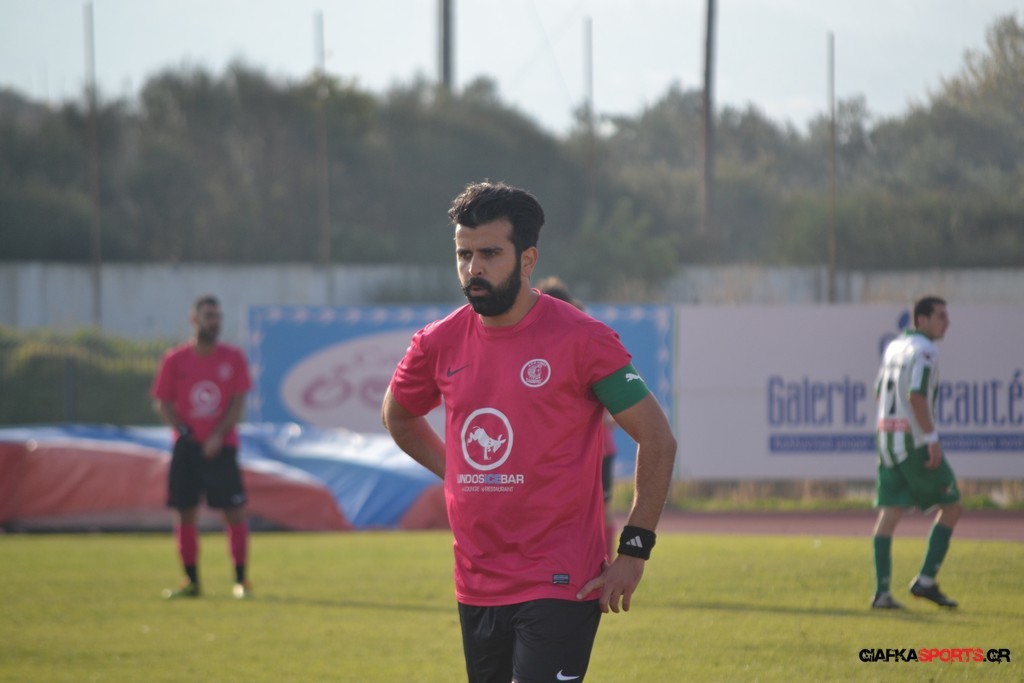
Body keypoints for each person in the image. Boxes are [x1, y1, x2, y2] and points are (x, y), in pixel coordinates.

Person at [382, 181, 677, 682]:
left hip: (560, 579)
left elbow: (657, 438)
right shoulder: (437, 342)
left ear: (527, 259)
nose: (473, 268)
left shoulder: (583, 339)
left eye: (490, 254)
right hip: (475, 580)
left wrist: (634, 550)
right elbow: (399, 416)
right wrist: (457, 473)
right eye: (464, 254)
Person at [152, 294, 253, 600]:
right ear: (194, 319)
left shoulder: (233, 358)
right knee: (185, 513)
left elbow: (237, 403)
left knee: (234, 512)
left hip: (222, 448)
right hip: (188, 449)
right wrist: (185, 432)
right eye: (209, 316)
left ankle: (241, 581)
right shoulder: (175, 359)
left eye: (218, 317)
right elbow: (163, 402)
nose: (214, 322)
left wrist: (217, 436)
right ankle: (191, 582)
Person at [871, 295, 961, 610]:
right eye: (940, 316)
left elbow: (878, 391)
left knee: (890, 513)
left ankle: (882, 593)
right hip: (913, 442)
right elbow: (916, 396)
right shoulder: (925, 350)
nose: (947, 322)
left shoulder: (894, 346)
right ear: (921, 320)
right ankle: (925, 581)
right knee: (952, 506)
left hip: (886, 438)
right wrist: (931, 438)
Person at [536, 275, 618, 559]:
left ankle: (602, 563)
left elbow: (630, 407)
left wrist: (600, 419)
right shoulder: (542, 350)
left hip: (595, 449)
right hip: (562, 450)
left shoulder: (588, 343)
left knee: (598, 509)